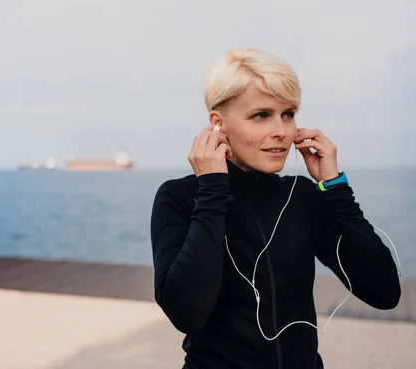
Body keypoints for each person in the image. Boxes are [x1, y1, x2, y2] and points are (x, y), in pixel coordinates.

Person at [149, 48, 402, 369]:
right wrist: (212, 191)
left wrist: (337, 189)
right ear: (218, 123)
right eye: (261, 115)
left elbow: (384, 293)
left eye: (289, 113)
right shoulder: (180, 196)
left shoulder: (302, 195)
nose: (282, 131)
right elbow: (187, 313)